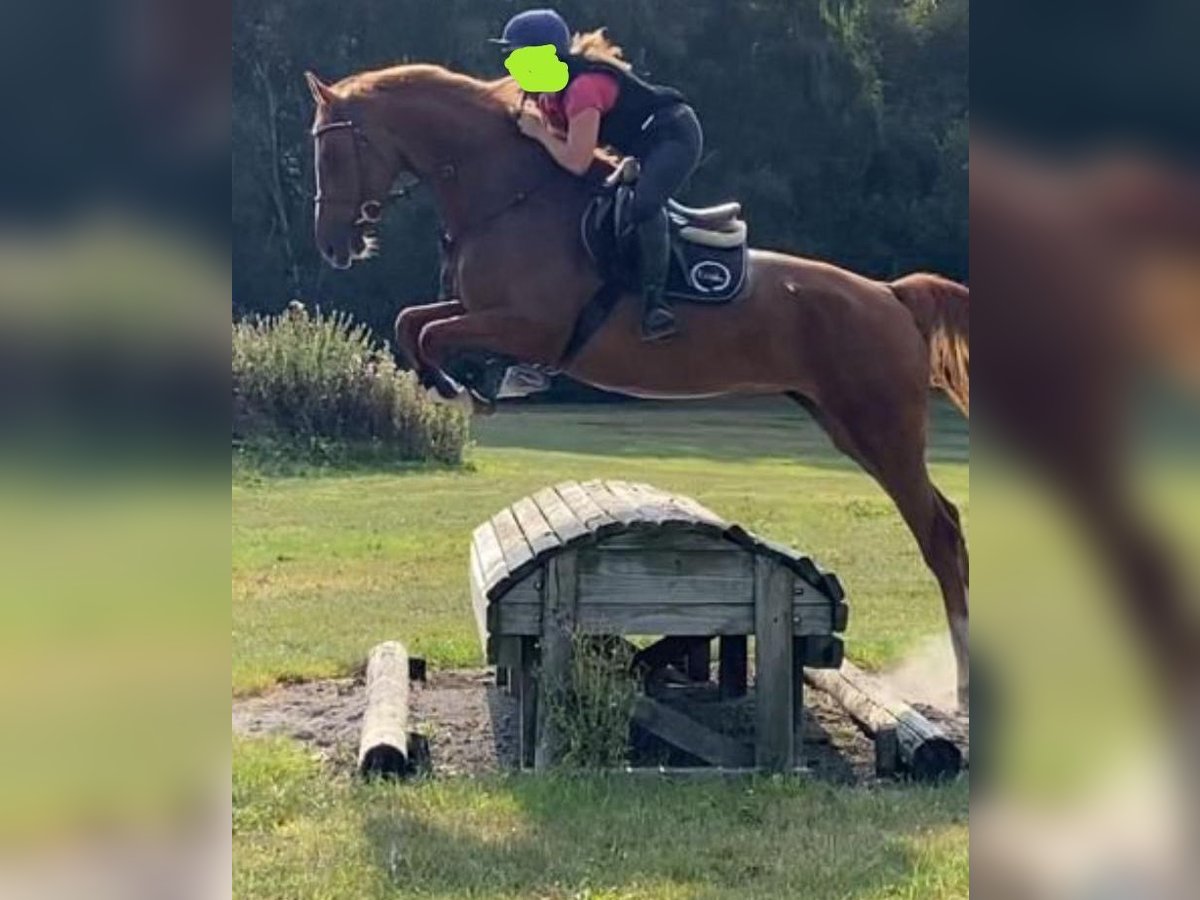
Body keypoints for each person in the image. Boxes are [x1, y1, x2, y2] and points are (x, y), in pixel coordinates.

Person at [491, 8, 704, 341]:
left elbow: (576, 161)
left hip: (673, 135)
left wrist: (540, 135)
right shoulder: (547, 92)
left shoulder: (583, 89)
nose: (512, 66)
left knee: (644, 205)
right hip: (642, 146)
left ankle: (656, 306)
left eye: (517, 56)